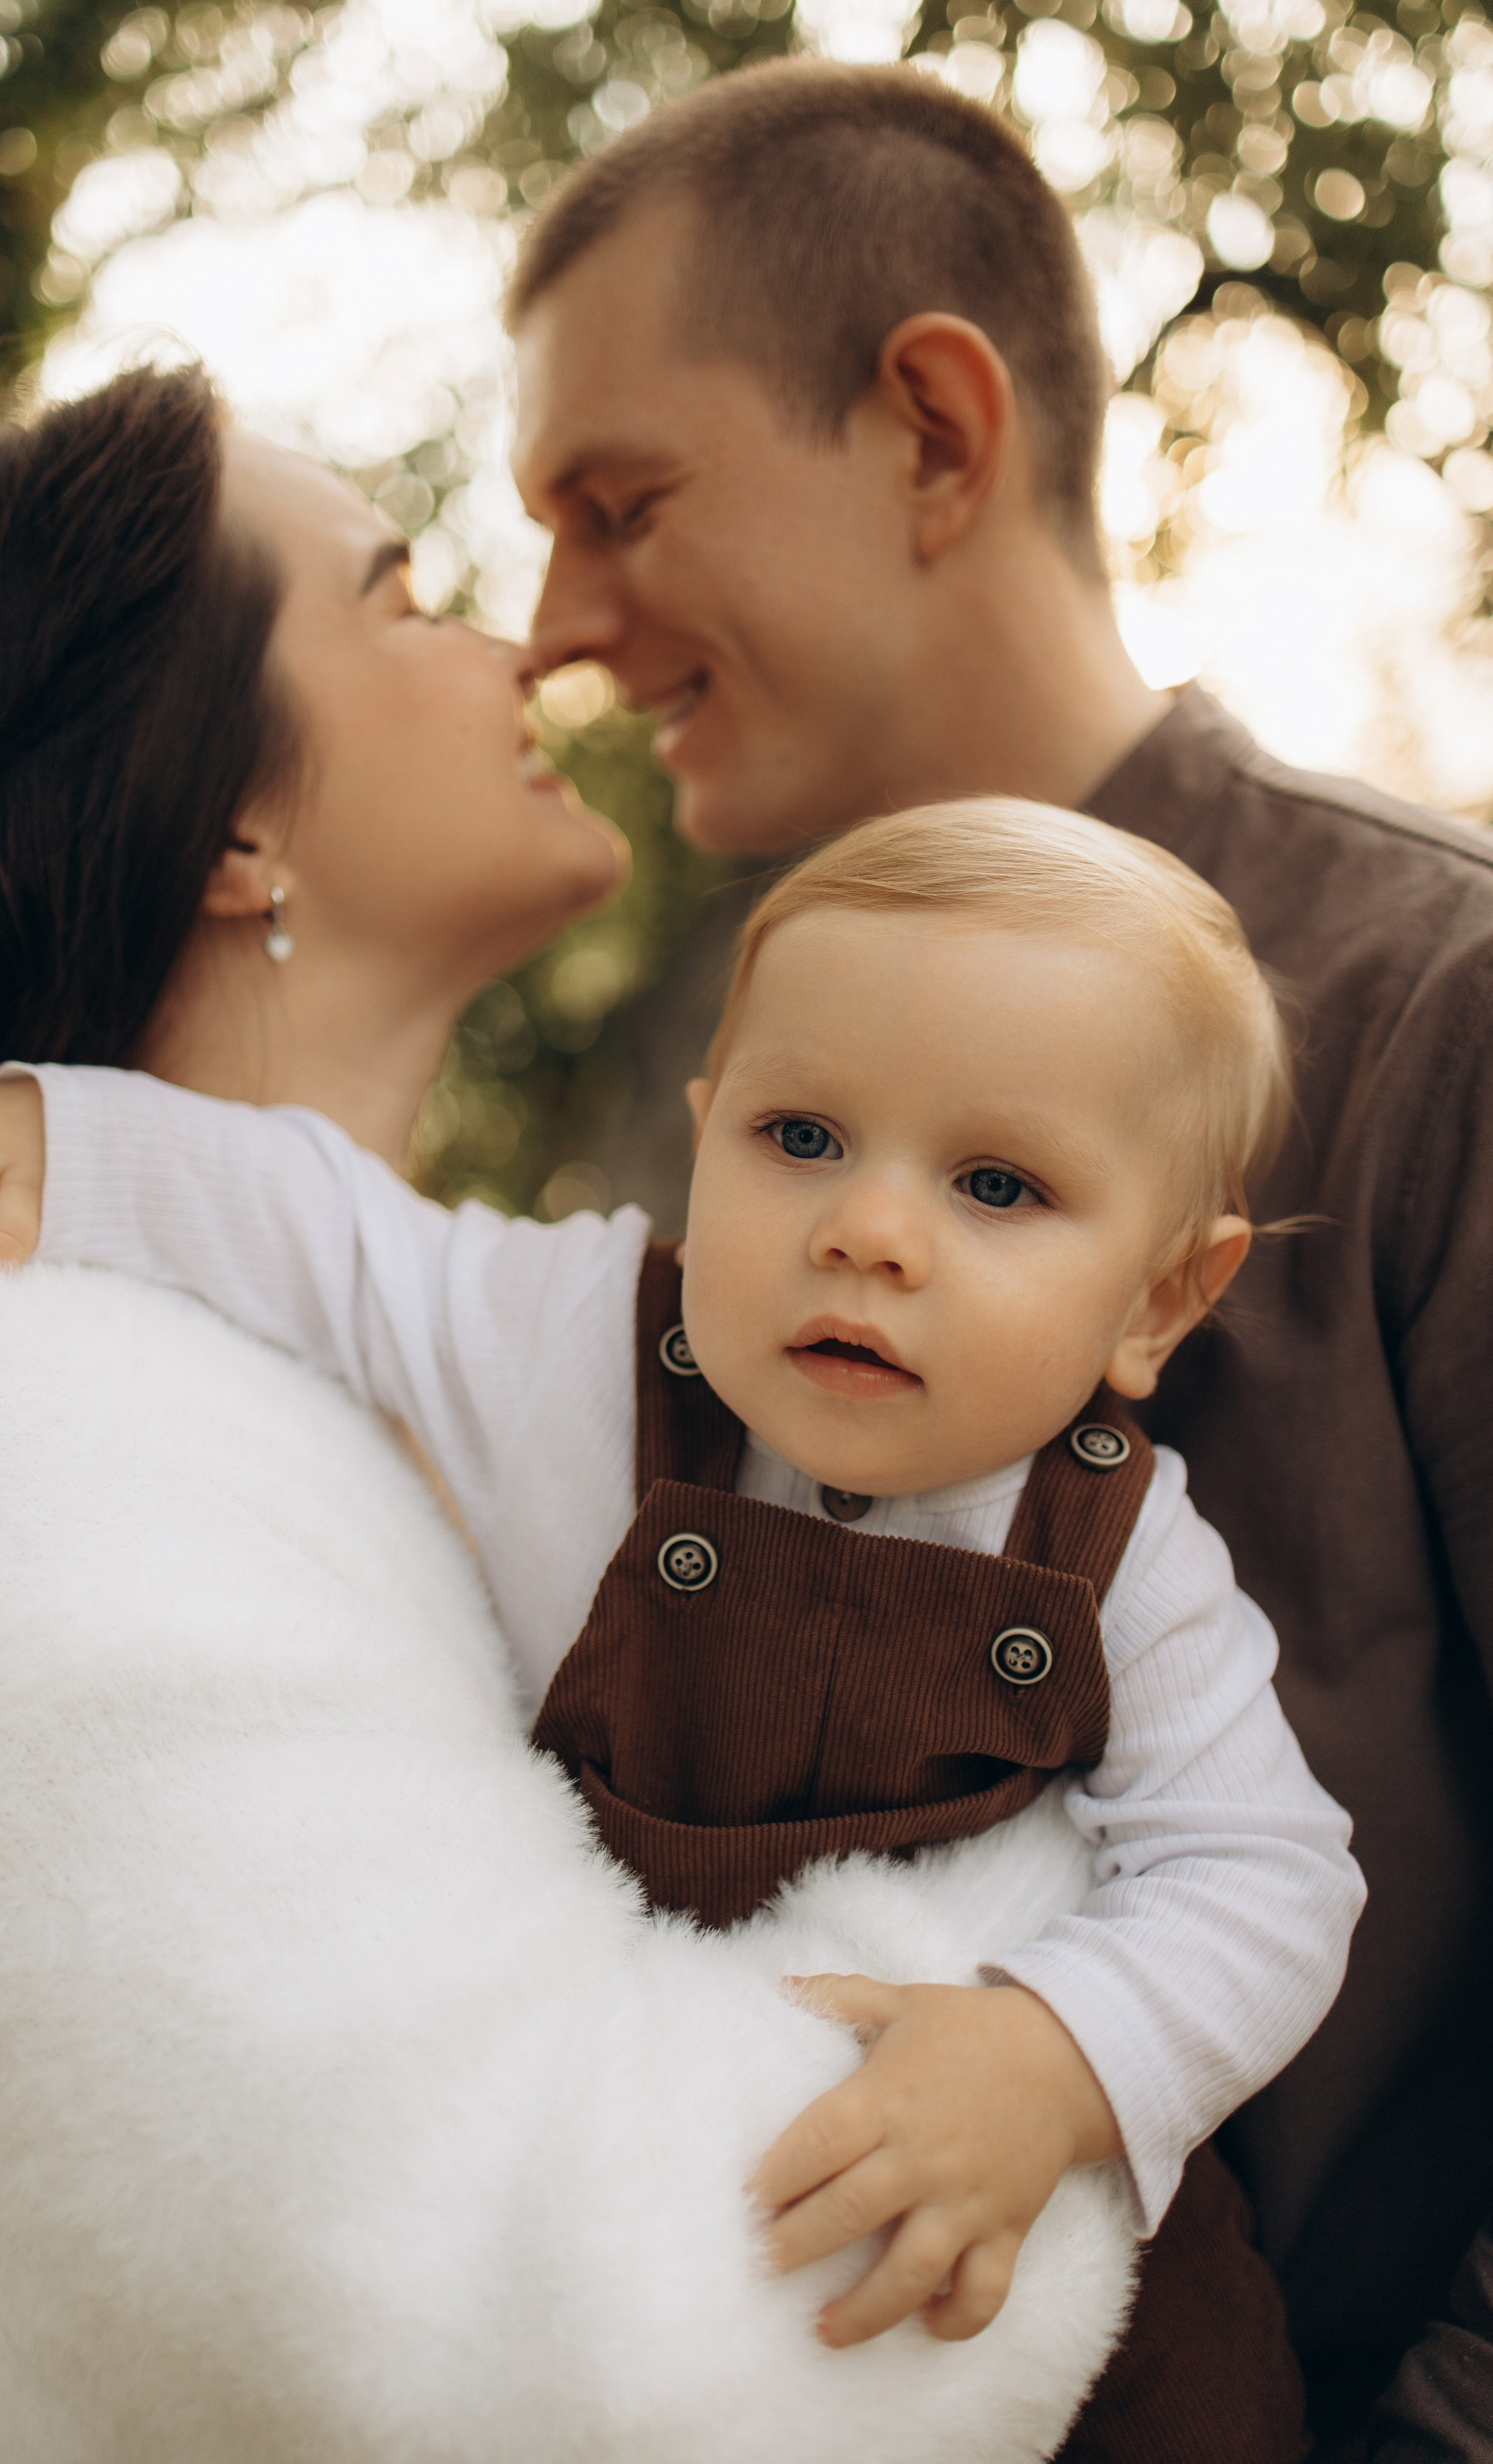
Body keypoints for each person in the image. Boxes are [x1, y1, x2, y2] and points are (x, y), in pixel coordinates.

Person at [0, 365, 1150, 2463]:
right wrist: (1065, 1869)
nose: (534, 641)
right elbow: (637, 2347)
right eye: (399, 595)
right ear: (236, 823)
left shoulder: (442, 1364)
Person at [0, 799, 1365, 2460]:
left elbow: (1269, 1871)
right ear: (706, 1134)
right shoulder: (580, 1342)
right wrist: (69, 1139)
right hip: (639, 2161)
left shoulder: (1126, 1553)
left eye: (996, 1184)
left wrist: (1064, 2058)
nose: (867, 1229)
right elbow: (341, 1241)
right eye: (800, 1139)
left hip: (1022, 2244)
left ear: (1161, 1298)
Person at [490, 56, 1493, 2462]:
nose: (552, 626)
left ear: (937, 433)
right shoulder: (687, 1133)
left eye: (619, 507)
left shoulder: (1441, 1010)